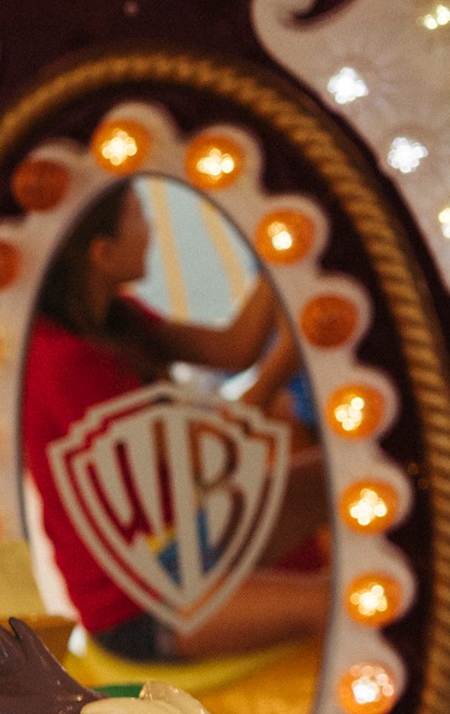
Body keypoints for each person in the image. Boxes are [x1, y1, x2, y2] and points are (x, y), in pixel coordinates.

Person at [23, 176, 325, 659]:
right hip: (141, 601)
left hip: (184, 542)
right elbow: (209, 454)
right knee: (330, 601)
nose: (154, 226)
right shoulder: (62, 361)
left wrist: (281, 253)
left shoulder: (112, 318)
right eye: (139, 214)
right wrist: (285, 361)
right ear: (102, 253)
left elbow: (234, 346)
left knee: (332, 481)